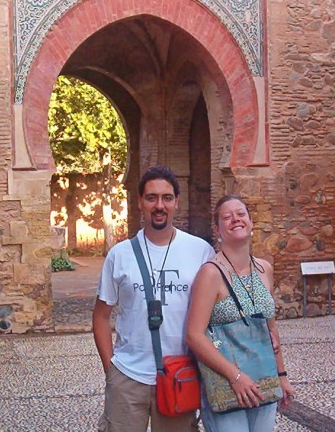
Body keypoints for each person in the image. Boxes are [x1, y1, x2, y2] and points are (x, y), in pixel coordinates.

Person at [92, 166, 215, 432]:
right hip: (128, 377)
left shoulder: (200, 251)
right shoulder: (119, 255)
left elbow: (214, 313)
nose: (159, 205)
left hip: (180, 375)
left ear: (176, 202)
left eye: (167, 198)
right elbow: (101, 316)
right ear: (139, 202)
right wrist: (111, 370)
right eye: (151, 198)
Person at [186, 194, 294, 432]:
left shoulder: (264, 269)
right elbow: (194, 336)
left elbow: (270, 329)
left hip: (262, 380)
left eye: (241, 214)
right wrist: (236, 377)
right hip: (227, 385)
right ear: (217, 229)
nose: (235, 219)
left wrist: (282, 376)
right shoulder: (210, 274)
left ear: (251, 222)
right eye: (227, 217)